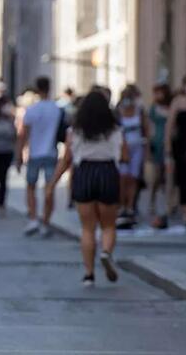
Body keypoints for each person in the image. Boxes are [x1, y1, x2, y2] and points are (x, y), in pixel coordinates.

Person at [46, 91, 126, 287]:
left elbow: (66, 160)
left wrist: (52, 184)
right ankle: (106, 252)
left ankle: (89, 274)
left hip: (85, 173)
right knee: (108, 225)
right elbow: (125, 156)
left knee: (87, 228)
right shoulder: (115, 130)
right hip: (107, 171)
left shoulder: (75, 131)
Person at [16, 76, 63, 237]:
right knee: (49, 188)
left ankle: (34, 218)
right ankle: (46, 221)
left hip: (35, 152)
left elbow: (23, 134)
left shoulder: (32, 110)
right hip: (51, 152)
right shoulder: (56, 109)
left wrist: (19, 154)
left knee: (31, 186)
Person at [165, 74, 186, 228]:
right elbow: (170, 125)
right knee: (182, 178)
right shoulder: (178, 102)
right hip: (180, 144)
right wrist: (168, 147)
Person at [116, 85, 149, 228]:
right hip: (123, 148)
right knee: (123, 177)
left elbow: (145, 129)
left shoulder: (139, 111)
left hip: (137, 147)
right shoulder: (118, 111)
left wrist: (147, 149)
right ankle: (122, 205)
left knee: (133, 177)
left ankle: (130, 206)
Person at [148, 83, 172, 228]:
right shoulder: (153, 109)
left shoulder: (171, 107)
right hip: (157, 144)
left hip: (168, 144)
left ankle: (169, 203)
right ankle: (153, 200)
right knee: (157, 175)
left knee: (168, 176)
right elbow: (149, 126)